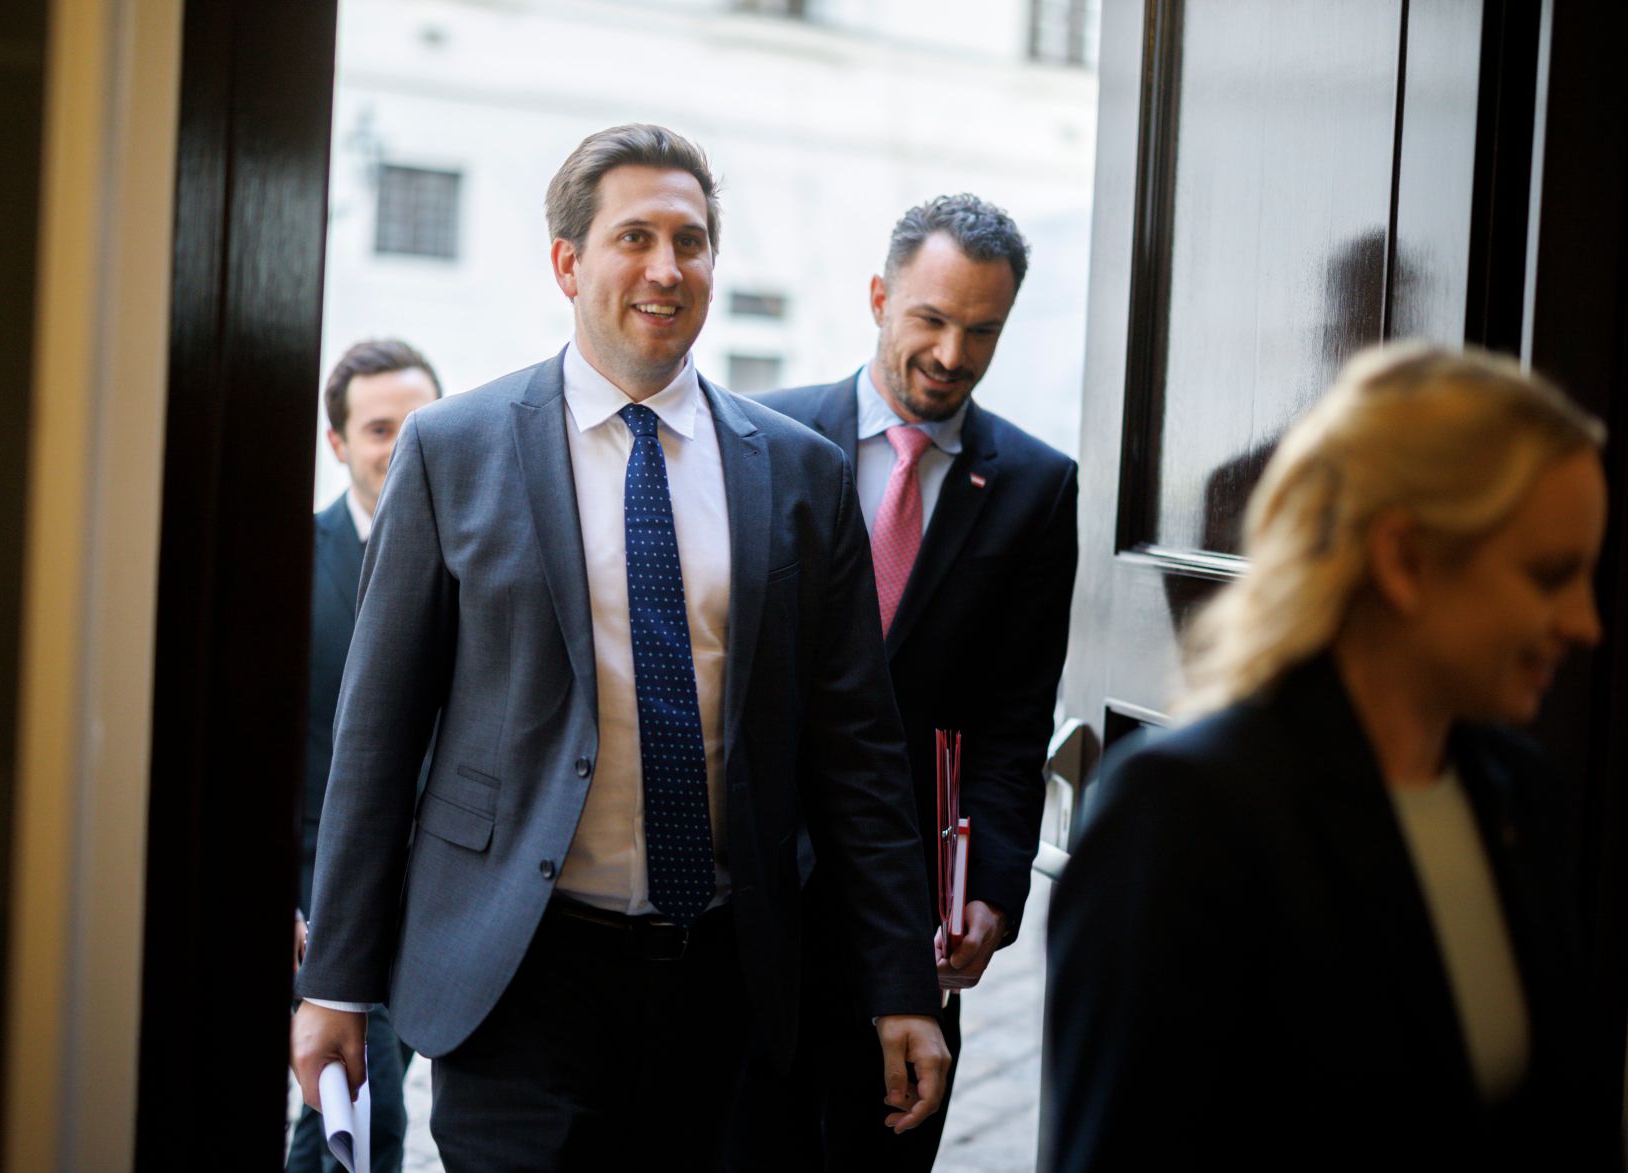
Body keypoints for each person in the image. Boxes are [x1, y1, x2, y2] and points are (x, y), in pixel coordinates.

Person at [289, 123, 950, 1171]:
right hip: (517, 978)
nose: (665, 268)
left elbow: (856, 757)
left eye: (689, 241)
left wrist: (898, 988)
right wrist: (334, 987)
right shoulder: (450, 450)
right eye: (632, 236)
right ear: (567, 263)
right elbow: (376, 738)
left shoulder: (798, 474)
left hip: (728, 985)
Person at [1045, 342, 1614, 1172]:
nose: (1586, 623)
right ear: (1406, 558)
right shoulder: (1184, 817)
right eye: (1549, 574)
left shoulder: (1518, 794)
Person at [731, 194, 1078, 1170]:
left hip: (911, 925)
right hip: (750, 910)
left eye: (981, 331)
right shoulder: (760, 438)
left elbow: (1014, 722)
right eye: (929, 319)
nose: (951, 354)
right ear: (879, 297)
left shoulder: (1035, 487)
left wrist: (994, 894)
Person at [287, 339, 441, 1173]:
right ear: (339, 443)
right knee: (366, 1113)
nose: (403, 443)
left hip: (445, 906)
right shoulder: (292, 564)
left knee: (334, 1120)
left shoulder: (478, 560)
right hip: (328, 903)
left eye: (419, 423)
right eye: (380, 428)